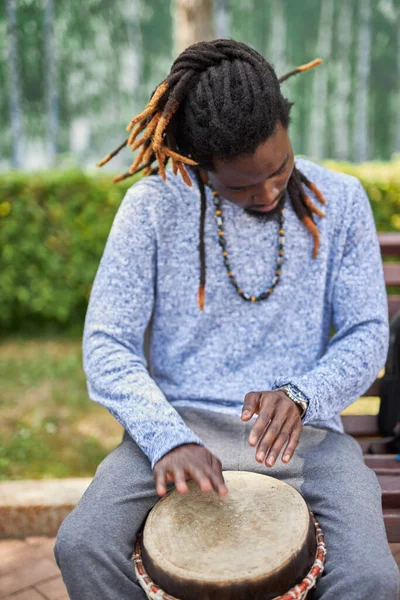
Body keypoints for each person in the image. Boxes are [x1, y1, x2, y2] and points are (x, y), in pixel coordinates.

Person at [53, 39, 400, 599]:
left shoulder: (342, 200)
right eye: (240, 185)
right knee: (81, 545)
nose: (267, 193)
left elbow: (365, 333)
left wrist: (302, 394)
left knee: (372, 579)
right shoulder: (153, 206)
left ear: (287, 127)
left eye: (280, 168)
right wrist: (167, 439)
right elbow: (107, 344)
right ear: (198, 161)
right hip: (177, 430)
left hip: (306, 436)